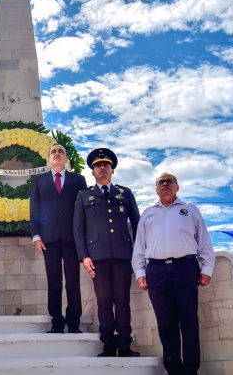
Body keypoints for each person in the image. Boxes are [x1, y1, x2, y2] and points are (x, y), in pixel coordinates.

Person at [132, 172, 215, 375]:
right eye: (161, 182)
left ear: (177, 187)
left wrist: (207, 269)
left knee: (189, 320)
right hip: (156, 272)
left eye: (170, 181)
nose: (165, 184)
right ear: (157, 189)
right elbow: (139, 247)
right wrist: (140, 272)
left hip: (185, 269)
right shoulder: (148, 213)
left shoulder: (190, 210)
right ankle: (173, 369)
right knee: (165, 322)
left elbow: (204, 241)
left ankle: (191, 369)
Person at [73, 148, 140, 357]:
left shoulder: (125, 193)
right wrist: (84, 256)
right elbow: (78, 229)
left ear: (112, 170)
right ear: (92, 172)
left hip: (123, 256)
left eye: (106, 165)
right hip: (97, 258)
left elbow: (138, 226)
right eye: (98, 166)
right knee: (104, 301)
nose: (102, 168)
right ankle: (108, 344)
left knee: (122, 301)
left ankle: (124, 344)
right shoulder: (84, 196)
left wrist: (137, 257)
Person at [29, 144, 87, 333]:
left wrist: (84, 235)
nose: (57, 154)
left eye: (61, 151)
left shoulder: (78, 180)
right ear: (49, 159)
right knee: (53, 281)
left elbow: (84, 209)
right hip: (49, 239)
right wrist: (36, 236)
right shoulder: (39, 181)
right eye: (53, 152)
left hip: (72, 239)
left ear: (66, 158)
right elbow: (35, 209)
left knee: (73, 281)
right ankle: (57, 322)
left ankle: (74, 323)